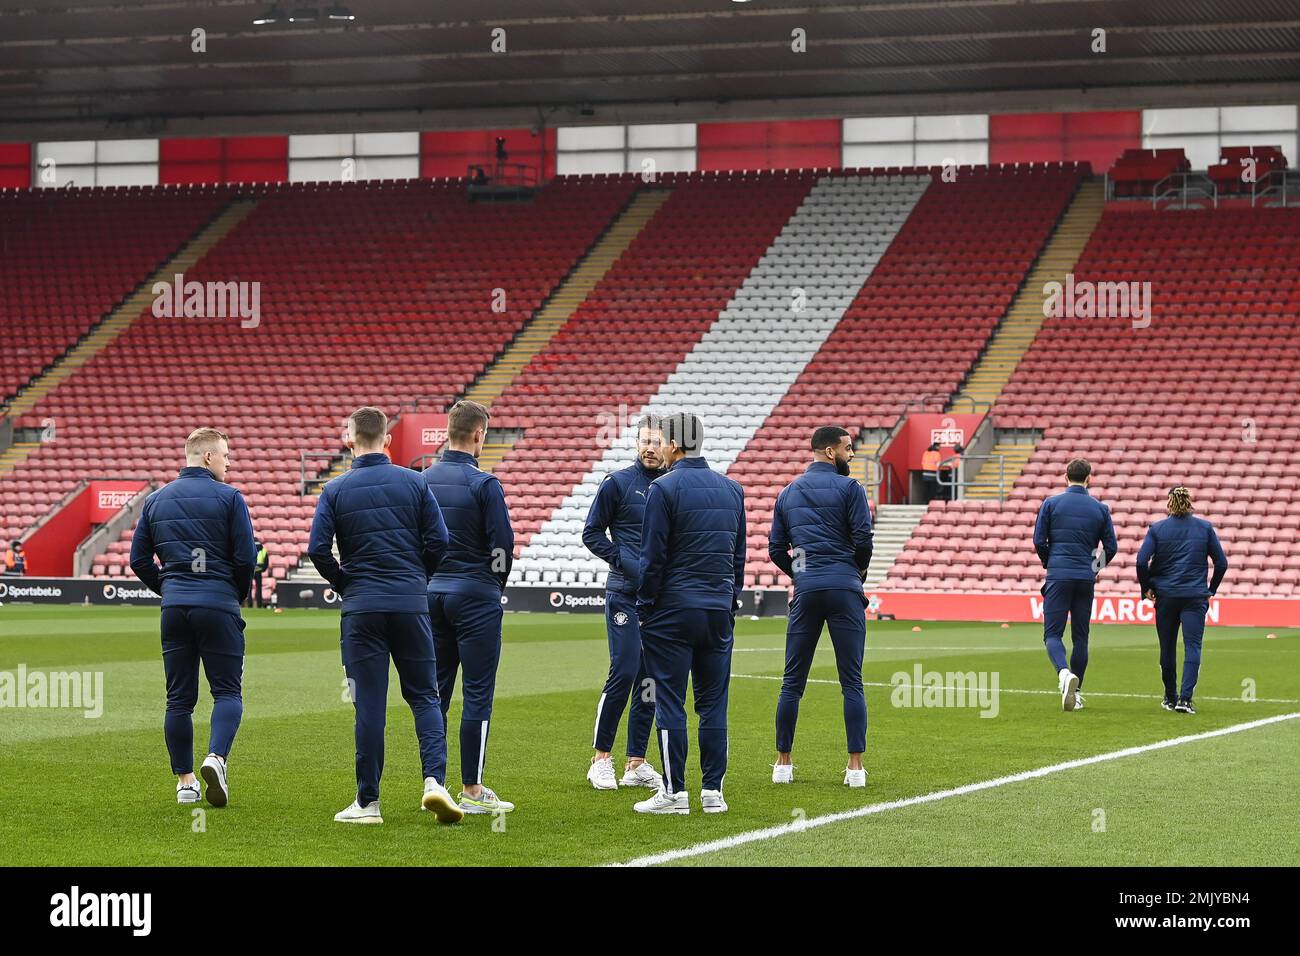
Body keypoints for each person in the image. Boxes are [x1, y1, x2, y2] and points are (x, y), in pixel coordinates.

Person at [309, 406, 462, 825]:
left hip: (361, 609)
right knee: (425, 697)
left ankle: (368, 803)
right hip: (411, 604)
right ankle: (434, 783)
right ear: (388, 441)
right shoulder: (414, 482)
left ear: (349, 440)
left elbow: (318, 550)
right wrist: (417, 578)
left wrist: (344, 584)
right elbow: (440, 540)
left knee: (369, 706)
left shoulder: (335, 490)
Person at [129, 427, 256, 807]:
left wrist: (168, 588)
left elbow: (138, 561)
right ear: (207, 457)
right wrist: (235, 593)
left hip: (174, 609)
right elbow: (246, 558)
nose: (230, 463)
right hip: (217, 604)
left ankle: (185, 783)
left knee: (179, 700)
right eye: (226, 455)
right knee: (228, 692)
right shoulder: (230, 498)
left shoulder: (156, 500)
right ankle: (216, 757)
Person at [634, 412, 745, 815]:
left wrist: (645, 606)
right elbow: (738, 558)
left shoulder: (663, 489)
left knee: (670, 701)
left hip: (672, 612)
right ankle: (713, 792)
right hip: (717, 610)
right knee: (714, 703)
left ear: (675, 446)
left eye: (662, 441)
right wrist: (730, 601)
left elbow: (652, 558)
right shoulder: (733, 490)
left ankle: (675, 793)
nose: (658, 448)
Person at [422, 400, 516, 815]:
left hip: (431, 597)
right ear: (479, 434)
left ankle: (434, 783)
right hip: (475, 596)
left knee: (435, 693)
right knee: (477, 693)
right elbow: (501, 546)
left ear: (448, 431)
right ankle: (473, 790)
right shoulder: (485, 484)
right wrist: (495, 583)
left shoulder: (421, 480)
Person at [768, 426, 874, 787]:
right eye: (848, 448)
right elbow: (863, 539)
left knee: (792, 682)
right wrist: (855, 571)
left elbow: (775, 549)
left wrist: (802, 573)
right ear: (830, 452)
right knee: (852, 681)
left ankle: (783, 764)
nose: (852, 454)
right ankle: (855, 768)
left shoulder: (787, 492)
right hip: (844, 587)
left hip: (807, 590)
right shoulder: (851, 489)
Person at [580, 414, 665, 791]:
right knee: (626, 669)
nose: (650, 447)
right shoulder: (617, 483)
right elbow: (591, 533)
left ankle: (636, 762)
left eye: (657, 441)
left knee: (650, 679)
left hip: (659, 599)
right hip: (623, 594)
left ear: (668, 447)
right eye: (644, 440)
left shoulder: (673, 486)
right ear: (635, 444)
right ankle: (600, 758)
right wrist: (625, 561)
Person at [1033, 458, 1117, 712]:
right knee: (1081, 637)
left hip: (1059, 576)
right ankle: (1077, 694)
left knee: (1052, 634)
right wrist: (1094, 568)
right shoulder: (1100, 509)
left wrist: (1050, 563)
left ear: (1065, 477)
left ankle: (1063, 674)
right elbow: (1111, 547)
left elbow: (1039, 540)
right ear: (1089, 478)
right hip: (1084, 578)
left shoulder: (1051, 503)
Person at [1136, 486, 1228, 715]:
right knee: (1193, 646)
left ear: (1169, 503)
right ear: (1190, 502)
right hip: (1195, 596)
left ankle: (1169, 696)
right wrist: (1211, 590)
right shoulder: (1204, 528)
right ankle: (1185, 700)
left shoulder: (1157, 529)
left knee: (1167, 648)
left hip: (1166, 596)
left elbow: (1140, 561)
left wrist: (1146, 587)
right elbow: (1222, 563)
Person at [244, 539, 269, 608]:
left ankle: (249, 605)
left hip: (251, 570)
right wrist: (261, 570)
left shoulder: (248, 548)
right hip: (259, 571)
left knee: (249, 590)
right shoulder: (263, 550)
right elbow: (266, 563)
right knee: (259, 589)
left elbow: (245, 560)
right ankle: (259, 605)